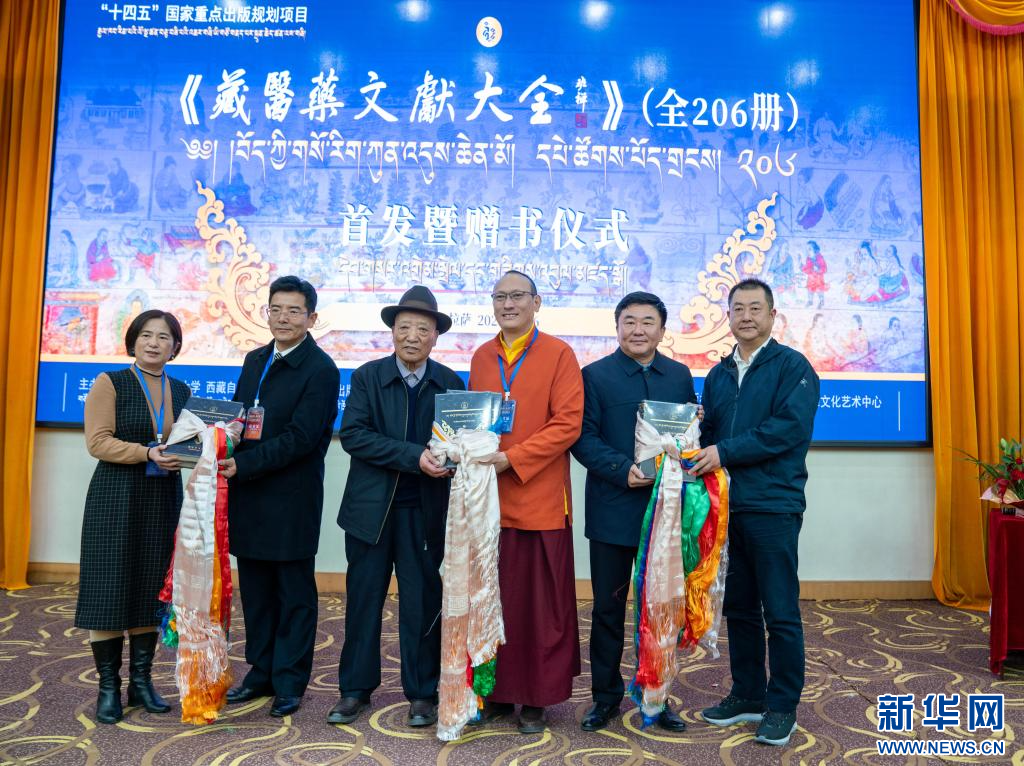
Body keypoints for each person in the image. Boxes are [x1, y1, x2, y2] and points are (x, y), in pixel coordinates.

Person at [690, 278, 819, 748]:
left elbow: (787, 429)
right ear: (728, 316)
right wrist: (688, 437)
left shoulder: (793, 367)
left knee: (779, 610)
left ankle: (782, 705)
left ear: (772, 315)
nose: (745, 316)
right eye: (738, 309)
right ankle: (747, 693)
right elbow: (711, 435)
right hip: (727, 507)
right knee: (740, 607)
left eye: (754, 308)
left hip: (773, 505)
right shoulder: (719, 374)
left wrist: (723, 451)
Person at [329, 286, 464, 727]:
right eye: (404, 327)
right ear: (392, 332)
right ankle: (354, 690)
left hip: (424, 512)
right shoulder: (368, 376)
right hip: (370, 511)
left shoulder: (450, 382)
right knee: (363, 601)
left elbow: (459, 441)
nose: (412, 336)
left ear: (435, 336)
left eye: (422, 329)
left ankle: (422, 693)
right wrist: (413, 457)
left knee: (422, 603)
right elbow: (355, 435)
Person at [570, 291, 695, 733]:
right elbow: (582, 438)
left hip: (665, 512)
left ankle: (656, 697)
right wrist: (622, 471)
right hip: (612, 511)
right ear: (617, 326)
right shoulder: (595, 375)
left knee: (659, 609)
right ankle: (604, 698)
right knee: (608, 609)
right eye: (629, 321)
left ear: (662, 330)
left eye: (647, 322)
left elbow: (689, 434)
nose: (638, 330)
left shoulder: (679, 376)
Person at [468, 270, 584, 734]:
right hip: (489, 502)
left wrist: (511, 459)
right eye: (500, 297)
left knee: (539, 609)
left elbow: (568, 424)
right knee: (494, 600)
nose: (508, 304)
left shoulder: (559, 353)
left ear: (537, 302)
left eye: (518, 296)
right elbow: (473, 422)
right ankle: (496, 693)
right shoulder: (482, 355)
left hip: (540, 500)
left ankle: (536, 698)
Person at [219, 276, 340, 718]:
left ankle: (289, 680)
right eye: (276, 309)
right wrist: (217, 442)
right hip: (249, 494)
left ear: (311, 317)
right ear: (266, 312)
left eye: (294, 310)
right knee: (256, 590)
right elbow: (239, 417)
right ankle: (261, 671)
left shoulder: (321, 369)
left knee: (293, 595)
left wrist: (245, 464)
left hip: (291, 499)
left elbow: (302, 438)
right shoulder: (255, 359)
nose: (283, 318)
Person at [74, 310, 190, 724]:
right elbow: (98, 442)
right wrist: (146, 453)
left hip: (162, 497)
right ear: (133, 341)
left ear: (175, 346)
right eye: (146, 335)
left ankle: (141, 683)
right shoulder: (110, 382)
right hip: (115, 495)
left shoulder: (181, 389)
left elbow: (187, 442)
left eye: (164, 337)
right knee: (108, 589)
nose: (154, 343)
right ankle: (109, 687)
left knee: (150, 588)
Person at [801, 241, 827, 308]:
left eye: (809, 249)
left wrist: (818, 270)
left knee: (819, 290)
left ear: (815, 250)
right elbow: (807, 268)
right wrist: (802, 267)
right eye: (806, 250)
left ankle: (821, 301)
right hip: (811, 279)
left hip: (818, 279)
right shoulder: (808, 259)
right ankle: (810, 301)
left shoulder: (820, 258)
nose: (807, 251)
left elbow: (824, 268)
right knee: (810, 290)